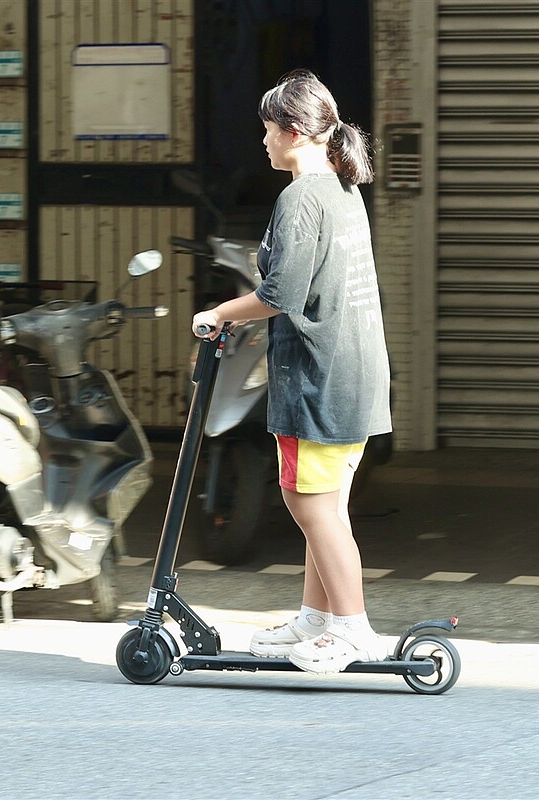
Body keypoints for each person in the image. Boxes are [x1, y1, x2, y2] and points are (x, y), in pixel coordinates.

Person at [191, 70, 392, 674]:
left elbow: (281, 293)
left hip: (318, 377)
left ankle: (352, 628)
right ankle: (315, 618)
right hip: (355, 373)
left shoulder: (301, 198)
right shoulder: (342, 189)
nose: (264, 141)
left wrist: (218, 313)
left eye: (269, 130)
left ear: (296, 132)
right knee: (324, 504)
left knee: (309, 504)